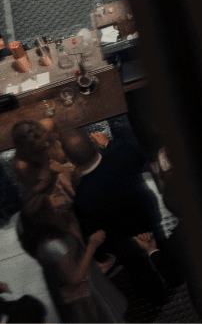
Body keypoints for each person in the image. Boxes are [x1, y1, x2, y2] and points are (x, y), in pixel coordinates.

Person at [59, 128, 168, 305]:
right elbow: (138, 155)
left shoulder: (82, 199)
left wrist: (103, 254)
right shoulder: (122, 154)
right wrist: (108, 143)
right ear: (93, 144)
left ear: (71, 160)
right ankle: (171, 270)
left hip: (126, 244)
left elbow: (94, 240)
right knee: (161, 247)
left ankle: (157, 298)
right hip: (149, 218)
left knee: (140, 272)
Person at [17, 195, 127, 324]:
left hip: (63, 287)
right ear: (45, 217)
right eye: (50, 206)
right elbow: (74, 278)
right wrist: (92, 245)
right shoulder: (53, 246)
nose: (54, 201)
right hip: (81, 294)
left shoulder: (31, 235)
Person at [11, 119, 78, 211]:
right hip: (51, 195)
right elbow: (32, 194)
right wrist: (50, 175)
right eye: (39, 145)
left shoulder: (46, 133)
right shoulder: (23, 165)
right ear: (27, 149)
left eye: (44, 138)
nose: (47, 144)